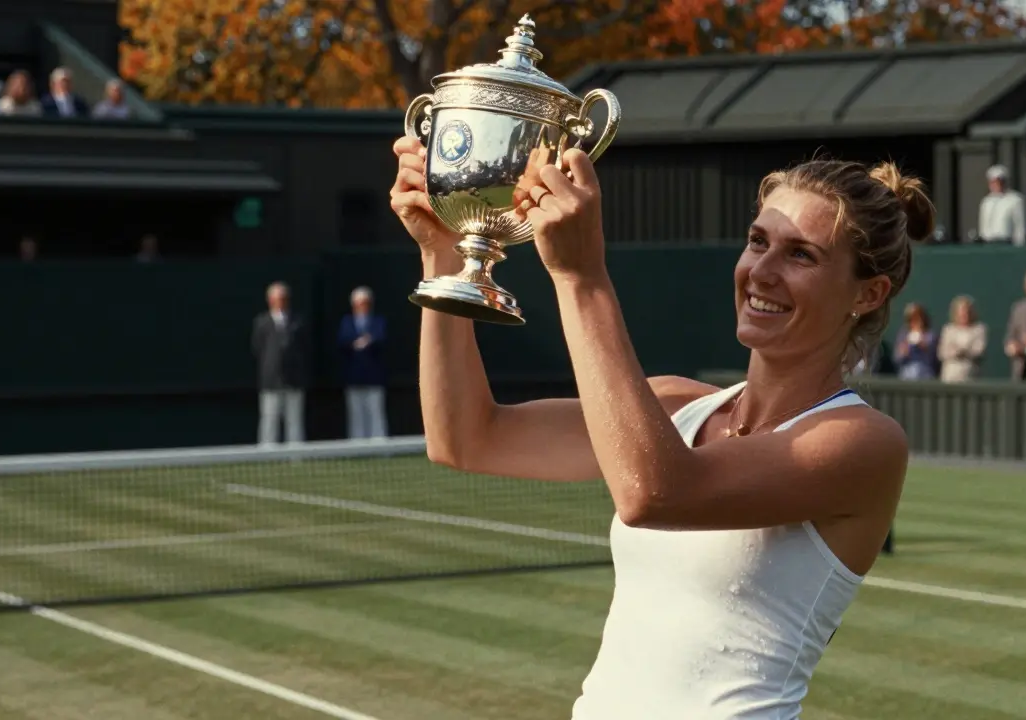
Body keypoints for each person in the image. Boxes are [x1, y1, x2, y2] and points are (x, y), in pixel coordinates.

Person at [390, 135, 932, 718]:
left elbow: (653, 492)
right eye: (757, 242)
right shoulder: (675, 405)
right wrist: (444, 255)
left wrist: (581, 277)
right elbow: (467, 438)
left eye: (801, 254)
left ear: (869, 293)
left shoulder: (863, 443)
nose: (762, 272)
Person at [251, 282, 308, 446]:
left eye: (284, 299)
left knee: (294, 419)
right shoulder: (261, 322)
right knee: (269, 418)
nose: (281, 302)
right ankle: (268, 452)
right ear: (270, 300)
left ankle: (296, 453)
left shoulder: (298, 321)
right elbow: (257, 348)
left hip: (294, 378)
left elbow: (304, 347)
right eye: (277, 299)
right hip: (270, 379)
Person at [338, 285, 389, 439]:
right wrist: (355, 343)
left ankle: (379, 446)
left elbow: (382, 338)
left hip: (374, 375)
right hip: (353, 376)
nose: (363, 306)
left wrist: (369, 341)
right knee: (356, 414)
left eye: (366, 303)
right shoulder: (347, 322)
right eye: (360, 303)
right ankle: (357, 445)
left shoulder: (378, 321)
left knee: (375, 411)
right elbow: (342, 341)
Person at [938, 295, 987, 383]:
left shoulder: (979, 329)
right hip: (950, 378)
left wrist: (963, 351)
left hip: (970, 377)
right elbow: (942, 352)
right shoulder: (948, 330)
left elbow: (979, 351)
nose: (964, 314)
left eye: (967, 311)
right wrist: (955, 352)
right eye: (961, 311)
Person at [893, 302, 937, 380]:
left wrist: (922, 344)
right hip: (907, 374)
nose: (916, 322)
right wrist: (904, 351)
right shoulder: (903, 334)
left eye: (919, 318)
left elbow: (933, 358)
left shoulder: (930, 335)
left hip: (925, 374)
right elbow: (897, 358)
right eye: (912, 319)